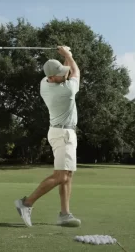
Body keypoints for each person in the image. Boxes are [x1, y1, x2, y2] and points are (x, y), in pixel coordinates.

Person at [14, 45, 81, 227]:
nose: (64, 74)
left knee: (68, 174)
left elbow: (67, 71)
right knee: (61, 176)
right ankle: (26, 203)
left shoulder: (45, 83)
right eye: (60, 73)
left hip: (61, 132)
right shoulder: (65, 90)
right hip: (63, 134)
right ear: (52, 77)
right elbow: (75, 72)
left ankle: (65, 214)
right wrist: (68, 54)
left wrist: (67, 57)